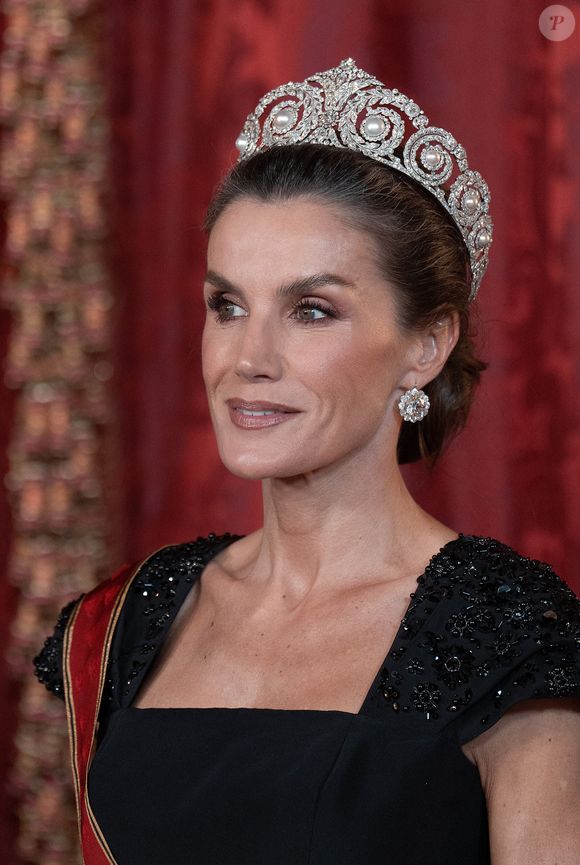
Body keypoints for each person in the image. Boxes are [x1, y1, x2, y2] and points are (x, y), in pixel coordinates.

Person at [34, 58, 580, 865]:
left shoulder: (510, 635)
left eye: (311, 310)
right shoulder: (133, 618)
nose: (247, 358)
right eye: (228, 305)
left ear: (427, 344)